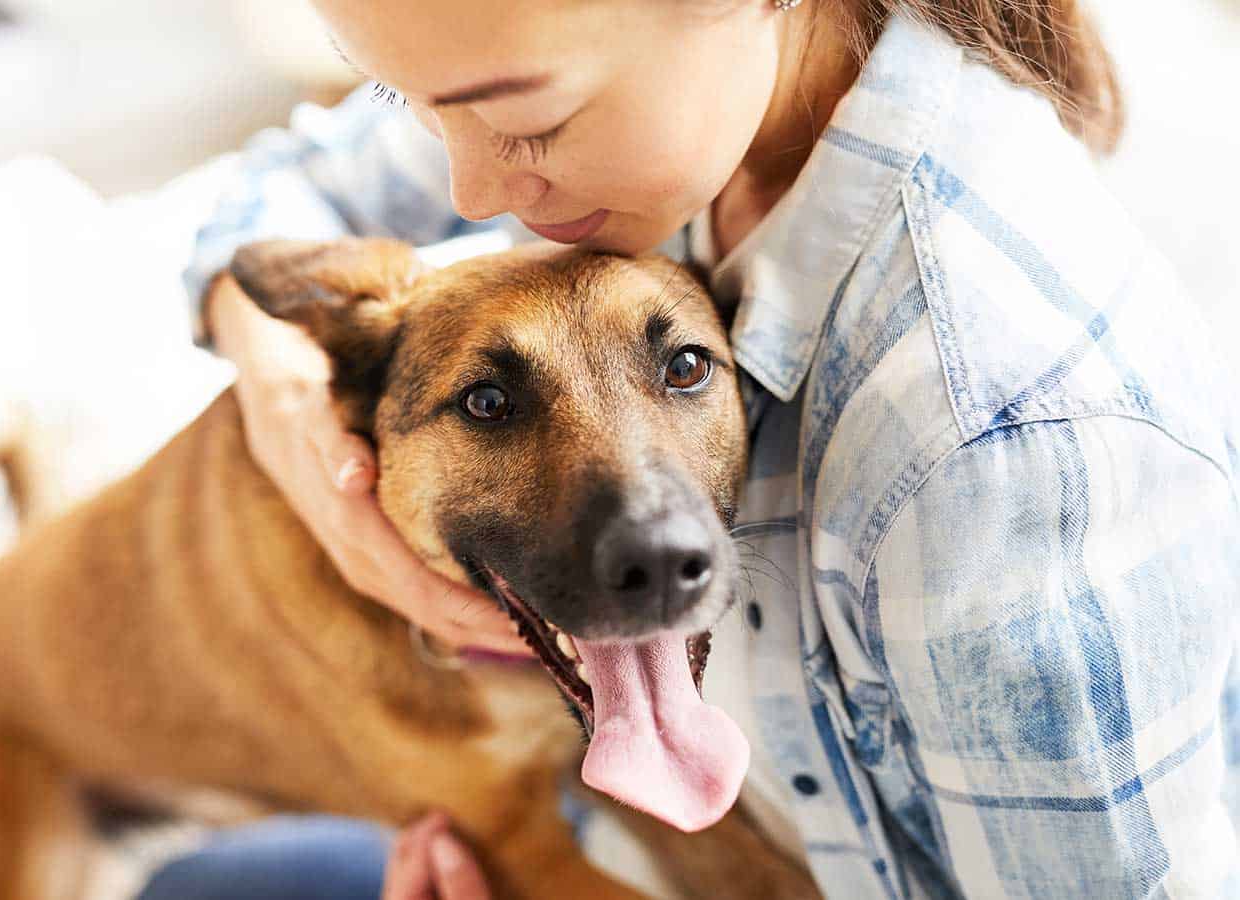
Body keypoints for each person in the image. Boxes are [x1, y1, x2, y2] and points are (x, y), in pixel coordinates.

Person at [162, 0, 1240, 896]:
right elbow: (273, 198)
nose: (473, 198)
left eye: (524, 122)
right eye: (422, 106)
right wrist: (290, 402)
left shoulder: (984, 451)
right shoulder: (611, 65)